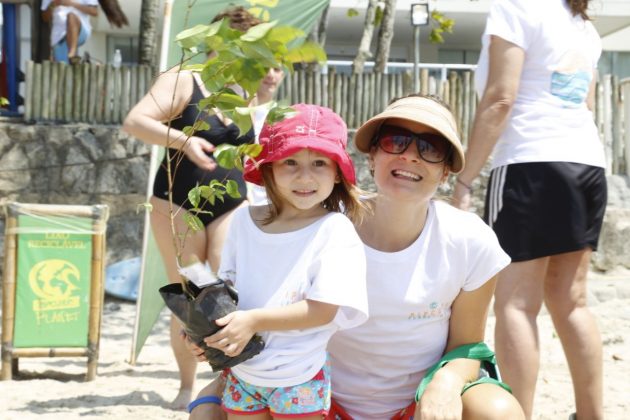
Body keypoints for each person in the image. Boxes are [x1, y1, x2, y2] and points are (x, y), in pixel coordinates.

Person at [187, 95, 525, 420]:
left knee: (498, 410)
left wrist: (447, 383)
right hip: (308, 394)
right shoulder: (312, 225)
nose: (410, 156)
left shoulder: (469, 241)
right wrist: (209, 352)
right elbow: (255, 307)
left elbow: (467, 347)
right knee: (205, 410)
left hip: (417, 405)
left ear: (446, 171)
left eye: (430, 148)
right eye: (396, 141)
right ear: (371, 156)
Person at [122, 6, 283, 410]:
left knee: (227, 291)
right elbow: (135, 121)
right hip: (178, 202)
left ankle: (230, 381)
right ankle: (185, 385)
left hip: (231, 202)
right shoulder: (183, 80)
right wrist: (183, 141)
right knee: (192, 296)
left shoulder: (243, 92)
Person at [452, 1, 606, 419]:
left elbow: (501, 98)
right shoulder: (581, 22)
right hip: (587, 164)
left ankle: (517, 414)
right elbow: (584, 102)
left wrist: (464, 179)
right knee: (571, 301)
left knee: (515, 304)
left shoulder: (516, 7)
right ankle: (592, 414)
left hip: (530, 162)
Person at [202, 103, 368, 418]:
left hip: (300, 375)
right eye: (289, 161)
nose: (305, 176)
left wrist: (253, 321)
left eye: (319, 162)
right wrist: (202, 327)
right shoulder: (242, 221)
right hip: (242, 371)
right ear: (268, 168)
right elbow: (227, 289)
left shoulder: (334, 229)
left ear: (337, 173)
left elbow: (323, 309)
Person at [41, 0, 99, 64]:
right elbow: (45, 18)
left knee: (71, 16)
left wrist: (70, 3)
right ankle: (72, 59)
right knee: (62, 69)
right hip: (59, 37)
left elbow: (94, 11)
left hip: (81, 30)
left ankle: (72, 54)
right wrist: (53, 5)